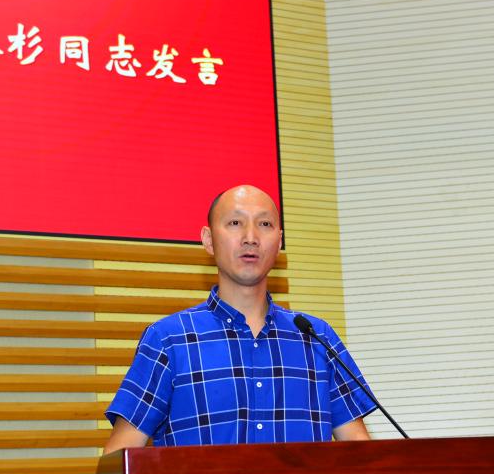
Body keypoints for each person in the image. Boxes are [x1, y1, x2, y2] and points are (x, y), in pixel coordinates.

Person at [102, 184, 376, 454]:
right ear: (208, 239)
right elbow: (119, 459)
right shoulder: (168, 340)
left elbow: (363, 458)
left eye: (265, 224)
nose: (251, 237)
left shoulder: (317, 337)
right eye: (235, 223)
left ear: (279, 241)